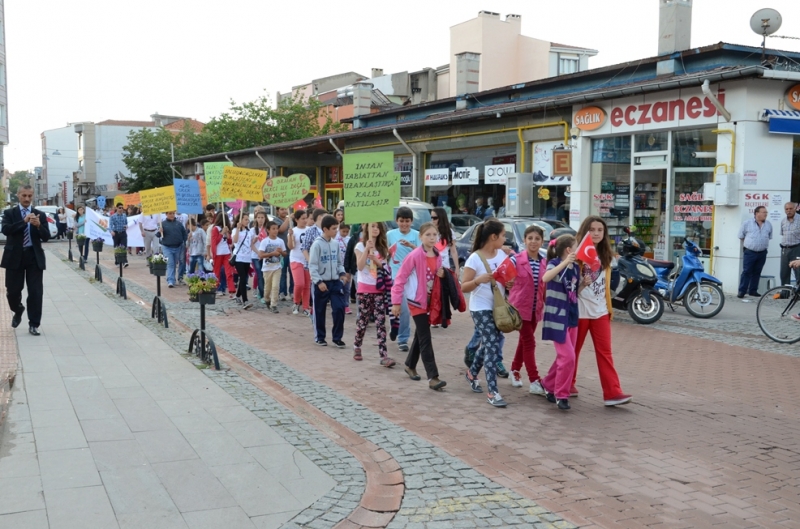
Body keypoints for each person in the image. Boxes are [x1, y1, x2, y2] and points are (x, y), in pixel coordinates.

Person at [572, 216, 632, 406]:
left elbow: (608, 285)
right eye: (592, 229)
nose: (596, 233)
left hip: (601, 312)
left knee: (605, 353)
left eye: (600, 230)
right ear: (584, 231)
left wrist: (609, 308)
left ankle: (613, 393)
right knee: (572, 352)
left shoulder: (607, 256)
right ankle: (561, 384)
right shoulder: (576, 254)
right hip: (579, 311)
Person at [391, 222, 446, 390]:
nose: (431, 238)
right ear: (420, 237)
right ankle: (433, 377)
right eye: (428, 235)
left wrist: (443, 274)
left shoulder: (437, 255)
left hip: (430, 301)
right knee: (425, 337)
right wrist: (396, 302)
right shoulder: (414, 256)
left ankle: (410, 364)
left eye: (434, 235)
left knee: (420, 335)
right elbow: (400, 279)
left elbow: (439, 277)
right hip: (416, 301)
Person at [462, 219, 509, 408]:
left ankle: (471, 373)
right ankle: (493, 392)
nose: (505, 239)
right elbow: (464, 287)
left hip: (498, 308)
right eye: (504, 235)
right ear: (493, 236)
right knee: (491, 347)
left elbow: (506, 279)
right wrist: (478, 280)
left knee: (491, 343)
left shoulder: (502, 255)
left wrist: (510, 284)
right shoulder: (475, 258)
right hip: (480, 308)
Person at [540, 234, 583, 411]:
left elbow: (573, 292)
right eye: (577, 246)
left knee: (564, 356)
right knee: (568, 356)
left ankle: (548, 384)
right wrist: (565, 263)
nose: (579, 249)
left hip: (571, 315)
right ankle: (561, 394)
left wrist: (584, 285)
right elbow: (545, 278)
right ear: (569, 250)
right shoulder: (555, 263)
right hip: (557, 316)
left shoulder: (576, 268)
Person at [2, 185, 51, 335]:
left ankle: (34, 324)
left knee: (36, 292)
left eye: (30, 196)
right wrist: (24, 222)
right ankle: (18, 309)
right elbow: (6, 230)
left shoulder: (39, 215)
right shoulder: (9, 213)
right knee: (12, 291)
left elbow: (46, 236)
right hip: (14, 257)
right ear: (18, 195)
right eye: (24, 195)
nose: (27, 199)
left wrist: (38, 227)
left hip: (33, 257)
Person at [507, 225, 547, 394]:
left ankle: (515, 370)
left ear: (541, 241)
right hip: (519, 309)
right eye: (530, 238)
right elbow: (501, 276)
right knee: (529, 342)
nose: (533, 242)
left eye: (537, 239)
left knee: (524, 342)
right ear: (524, 240)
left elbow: (545, 286)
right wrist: (506, 283)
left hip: (535, 308)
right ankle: (534, 380)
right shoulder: (516, 259)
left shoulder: (545, 261)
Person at [353, 222, 396, 367]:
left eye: (377, 227)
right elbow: (359, 266)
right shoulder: (359, 246)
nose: (375, 229)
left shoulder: (383, 249)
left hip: (379, 289)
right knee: (363, 320)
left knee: (380, 322)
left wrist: (377, 261)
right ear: (366, 229)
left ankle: (383, 355)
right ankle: (357, 345)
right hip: (364, 289)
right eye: (372, 226)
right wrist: (366, 249)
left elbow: (386, 269)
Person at [308, 214, 347, 347]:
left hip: (335, 282)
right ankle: (320, 336)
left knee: (339, 308)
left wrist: (342, 273)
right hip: (321, 283)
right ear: (325, 229)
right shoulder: (317, 245)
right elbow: (312, 265)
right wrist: (319, 282)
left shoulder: (335, 244)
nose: (336, 231)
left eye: (337, 228)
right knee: (319, 310)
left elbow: (339, 262)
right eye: (334, 228)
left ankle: (337, 337)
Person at [387, 207, 420, 352]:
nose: (404, 224)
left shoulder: (417, 235)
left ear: (411, 221)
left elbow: (422, 254)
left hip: (411, 278)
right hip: (395, 276)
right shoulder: (390, 234)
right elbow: (383, 251)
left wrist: (411, 246)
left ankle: (402, 336)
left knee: (406, 310)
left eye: (407, 221)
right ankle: (398, 331)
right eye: (401, 221)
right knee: (398, 307)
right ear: (396, 221)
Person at [737, 205, 772, 298]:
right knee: (746, 271)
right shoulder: (747, 223)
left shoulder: (768, 224)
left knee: (757, 272)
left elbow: (770, 236)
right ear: (757, 213)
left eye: (766, 213)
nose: (766, 214)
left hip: (762, 252)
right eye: (764, 212)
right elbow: (741, 236)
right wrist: (750, 244)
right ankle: (742, 291)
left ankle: (753, 290)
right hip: (750, 252)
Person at [257, 221, 287, 313]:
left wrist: (281, 252)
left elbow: (285, 254)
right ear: (268, 230)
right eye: (273, 229)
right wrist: (272, 253)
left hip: (277, 267)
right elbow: (261, 255)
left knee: (275, 286)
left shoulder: (280, 241)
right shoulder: (264, 241)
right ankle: (267, 299)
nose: (275, 231)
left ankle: (274, 304)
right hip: (267, 268)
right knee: (267, 288)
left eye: (277, 229)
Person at [288, 210, 311, 316]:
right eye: (302, 218)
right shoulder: (293, 231)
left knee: (307, 285)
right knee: (299, 283)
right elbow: (291, 247)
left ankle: (306, 306)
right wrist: (290, 236)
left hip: (307, 260)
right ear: (296, 220)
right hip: (296, 259)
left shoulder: (310, 230)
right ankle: (296, 303)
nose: (305, 220)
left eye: (306, 218)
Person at [231, 212, 255, 309]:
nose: (247, 221)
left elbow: (251, 244)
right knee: (242, 277)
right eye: (245, 219)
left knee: (244, 278)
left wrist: (258, 252)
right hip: (239, 257)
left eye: (248, 219)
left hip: (247, 257)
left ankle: (237, 296)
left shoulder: (249, 232)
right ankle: (245, 300)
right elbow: (235, 241)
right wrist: (237, 228)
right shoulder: (235, 230)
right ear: (240, 220)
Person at [210, 212, 236, 298]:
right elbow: (214, 241)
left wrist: (228, 236)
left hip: (226, 253)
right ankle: (214, 289)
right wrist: (221, 233)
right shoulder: (215, 229)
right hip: (218, 253)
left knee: (229, 272)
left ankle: (232, 291)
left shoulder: (226, 228)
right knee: (216, 273)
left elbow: (229, 242)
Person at [159, 211, 188, 288]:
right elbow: (158, 235)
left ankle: (174, 279)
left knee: (174, 264)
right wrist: (160, 231)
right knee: (170, 263)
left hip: (178, 247)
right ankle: (170, 280)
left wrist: (185, 241)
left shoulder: (178, 223)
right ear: (166, 214)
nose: (171, 215)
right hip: (167, 247)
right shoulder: (163, 224)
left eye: (173, 213)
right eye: (170, 214)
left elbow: (184, 234)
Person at [274, 207, 293, 301]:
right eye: (282, 209)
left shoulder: (291, 219)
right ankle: (282, 292)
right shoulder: (275, 220)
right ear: (277, 211)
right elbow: (281, 230)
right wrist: (288, 219)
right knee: (283, 273)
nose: (285, 211)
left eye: (285, 209)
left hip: (292, 251)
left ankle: (292, 291)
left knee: (293, 273)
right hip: (282, 252)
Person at [779, 202, 800, 289]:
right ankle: (785, 293)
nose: (789, 211)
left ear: (795, 208)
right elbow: (782, 234)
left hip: (797, 248)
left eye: (791, 208)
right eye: (786, 209)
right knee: (784, 273)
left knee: (798, 272)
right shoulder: (783, 221)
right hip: (785, 249)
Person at [250, 209, 269, 303]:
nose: (260, 219)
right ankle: (262, 294)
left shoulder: (268, 230)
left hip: (266, 256)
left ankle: (266, 293)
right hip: (256, 256)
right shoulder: (253, 230)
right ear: (255, 219)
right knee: (260, 275)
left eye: (262, 217)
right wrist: (258, 253)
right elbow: (251, 245)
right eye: (258, 217)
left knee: (267, 275)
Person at [335, 223, 352, 315]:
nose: (345, 233)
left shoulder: (349, 240)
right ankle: (338, 304)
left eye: (347, 231)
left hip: (346, 267)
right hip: (337, 267)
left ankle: (346, 305)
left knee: (346, 287)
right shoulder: (335, 240)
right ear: (339, 230)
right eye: (343, 231)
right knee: (337, 286)